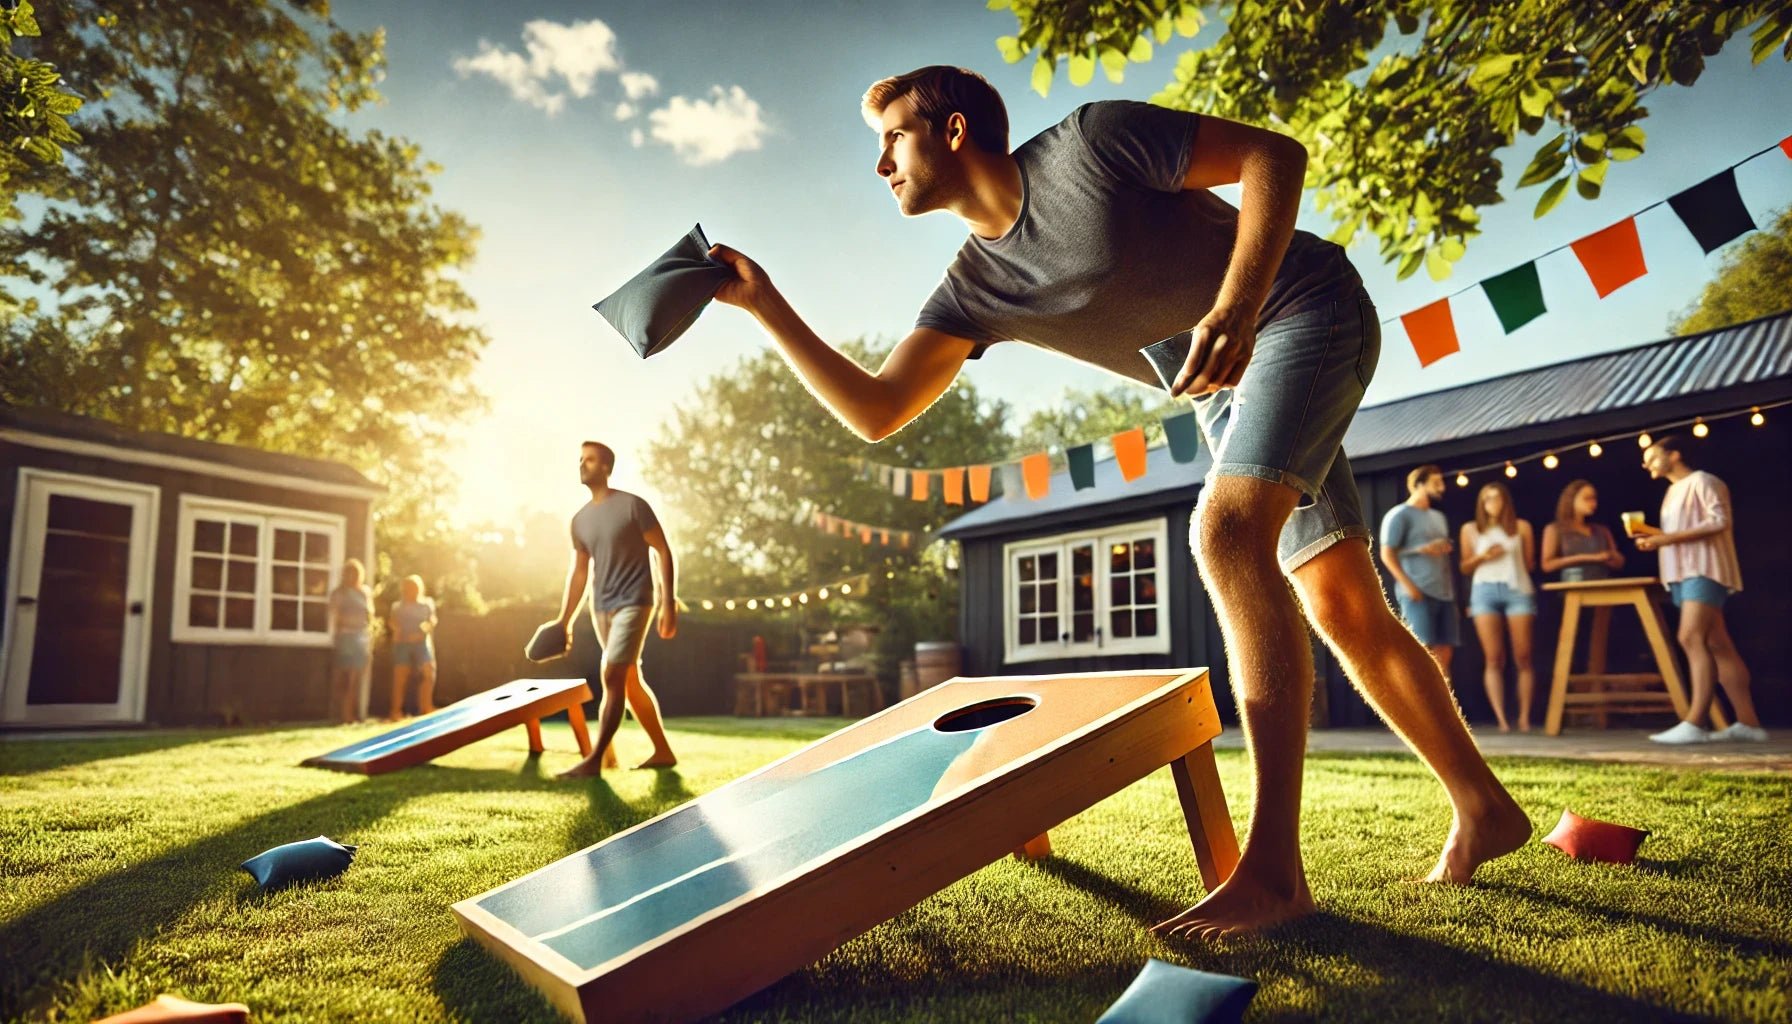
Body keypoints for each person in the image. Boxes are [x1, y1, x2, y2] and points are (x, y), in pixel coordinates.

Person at [705, 66, 1527, 936]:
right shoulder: (974, 286)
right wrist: (764, 305)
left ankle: (1276, 872)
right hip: (1223, 387)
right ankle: (1485, 808)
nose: (882, 165)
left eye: (892, 139)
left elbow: (1273, 157)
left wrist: (1239, 310)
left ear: (951, 131)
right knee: (1343, 603)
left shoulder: (1091, 143)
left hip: (1301, 309)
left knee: (1226, 534)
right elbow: (878, 410)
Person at [555, 441, 681, 778]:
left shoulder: (633, 506)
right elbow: (580, 572)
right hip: (602, 606)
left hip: (636, 601)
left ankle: (595, 760)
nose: (583, 464)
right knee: (628, 680)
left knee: (611, 674)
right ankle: (663, 751)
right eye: (580, 459)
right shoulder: (579, 520)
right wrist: (564, 620)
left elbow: (664, 551)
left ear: (607, 467)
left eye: (591, 459)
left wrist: (668, 601)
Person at [1634, 436, 1768, 743]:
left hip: (1705, 569)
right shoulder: (1671, 492)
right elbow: (1677, 533)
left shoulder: (1705, 481)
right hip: (1681, 573)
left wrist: (1666, 540)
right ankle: (1749, 724)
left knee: (1690, 637)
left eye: (1652, 457)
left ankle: (1695, 723)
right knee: (1718, 644)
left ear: (1675, 454)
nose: (1647, 464)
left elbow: (1719, 521)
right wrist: (1654, 537)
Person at [1459, 483, 1537, 732]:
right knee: (1494, 658)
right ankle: (1502, 719)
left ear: (1505, 501)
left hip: (1518, 589)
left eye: (1497, 498)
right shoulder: (1470, 529)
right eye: (1487, 499)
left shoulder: (1522, 527)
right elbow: (1465, 567)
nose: (1493, 503)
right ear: (1481, 503)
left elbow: (1530, 563)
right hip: (1484, 591)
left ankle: (1524, 717)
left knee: (1523, 656)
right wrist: (1484, 557)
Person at [1379, 465, 1459, 682]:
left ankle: (1445, 706)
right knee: (1422, 650)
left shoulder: (1438, 517)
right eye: (1436, 483)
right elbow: (1387, 553)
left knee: (1445, 651)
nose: (1441, 487)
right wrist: (1409, 586)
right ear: (1418, 485)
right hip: (1417, 591)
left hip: (1443, 591)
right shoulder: (1399, 514)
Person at [1541, 479, 1624, 583]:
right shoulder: (1554, 529)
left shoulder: (1601, 530)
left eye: (1594, 499)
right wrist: (1590, 558)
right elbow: (1547, 565)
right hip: (1573, 588)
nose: (1593, 503)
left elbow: (1619, 563)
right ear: (1571, 500)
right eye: (1587, 499)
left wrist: (1610, 556)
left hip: (1602, 586)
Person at [326, 558, 371, 723]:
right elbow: (335, 615)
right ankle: (342, 714)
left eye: (356, 573)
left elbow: (369, 614)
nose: (353, 576)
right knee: (344, 678)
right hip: (345, 637)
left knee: (355, 678)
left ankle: (351, 714)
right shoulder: (339, 593)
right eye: (349, 573)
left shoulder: (364, 592)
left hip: (361, 638)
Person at [387, 574, 437, 720]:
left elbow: (432, 621)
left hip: (421, 643)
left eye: (414, 587)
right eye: (408, 588)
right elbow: (392, 622)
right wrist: (398, 632)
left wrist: (423, 631)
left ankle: (426, 707)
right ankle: (395, 711)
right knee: (400, 676)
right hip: (402, 644)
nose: (411, 590)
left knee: (428, 673)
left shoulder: (426, 604)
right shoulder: (397, 606)